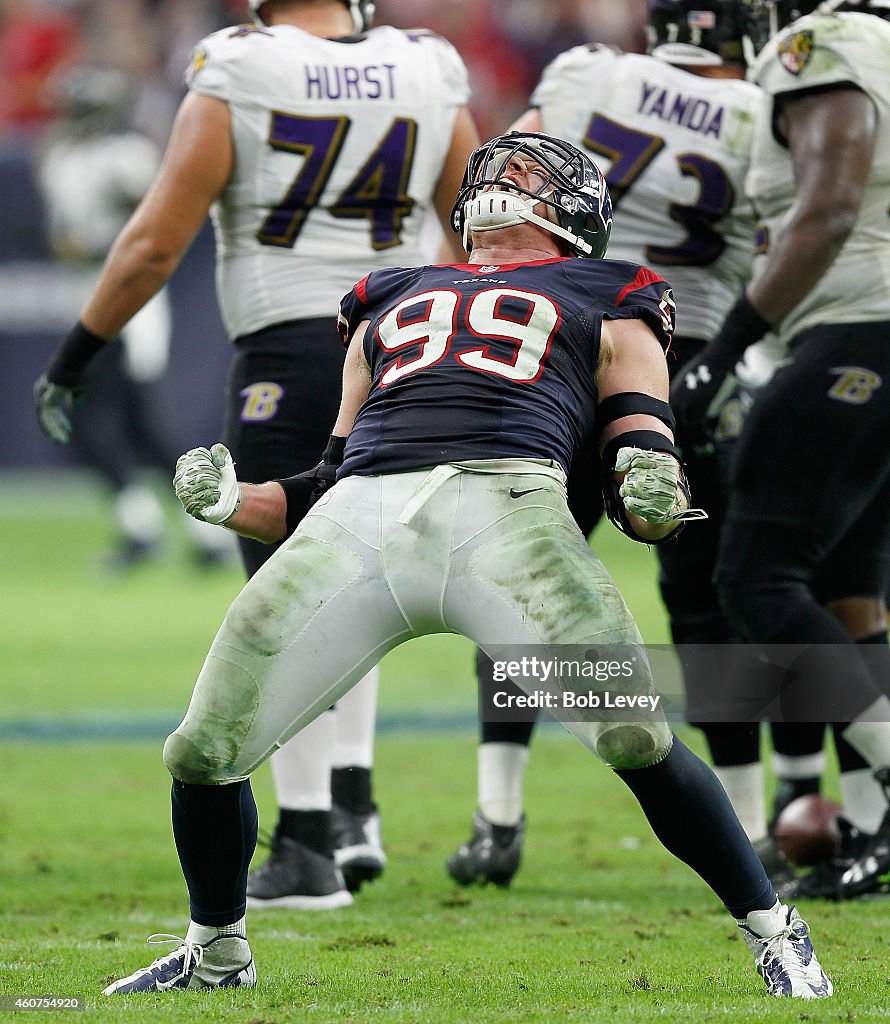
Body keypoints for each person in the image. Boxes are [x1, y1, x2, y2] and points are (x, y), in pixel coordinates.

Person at [97, 131, 832, 998]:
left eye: (532, 172)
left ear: (576, 215)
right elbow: (324, 477)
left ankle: (775, 930)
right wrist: (235, 501)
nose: (505, 173)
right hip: (360, 519)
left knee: (636, 736)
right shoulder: (390, 294)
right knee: (203, 749)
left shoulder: (613, 292)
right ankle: (217, 955)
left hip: (511, 513)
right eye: (501, 164)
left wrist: (651, 490)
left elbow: (641, 444)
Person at [33, 0, 480, 908]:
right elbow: (477, 233)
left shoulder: (240, 64)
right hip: (404, 341)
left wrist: (77, 352)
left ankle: (310, 841)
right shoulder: (428, 64)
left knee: (286, 596)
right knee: (363, 579)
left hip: (290, 348)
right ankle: (351, 806)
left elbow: (157, 241)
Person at [446, 0, 823, 894]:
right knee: (705, 596)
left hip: (557, 341)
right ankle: (744, 813)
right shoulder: (760, 109)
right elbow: (790, 233)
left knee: (521, 571)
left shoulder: (591, 76)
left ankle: (497, 814)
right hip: (687, 356)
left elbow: (504, 177)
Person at [670, 0, 890, 899]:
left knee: (754, 576)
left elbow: (831, 203)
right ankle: (874, 830)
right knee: (852, 591)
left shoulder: (823, 45)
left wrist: (723, 351)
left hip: (854, 333)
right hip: (865, 334)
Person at [36, 65, 233, 572]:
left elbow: (155, 221)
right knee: (119, 424)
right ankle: (178, 529)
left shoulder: (125, 157)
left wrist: (105, 232)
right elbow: (65, 237)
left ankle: (165, 527)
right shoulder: (60, 158)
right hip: (90, 299)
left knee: (121, 420)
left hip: (132, 302)